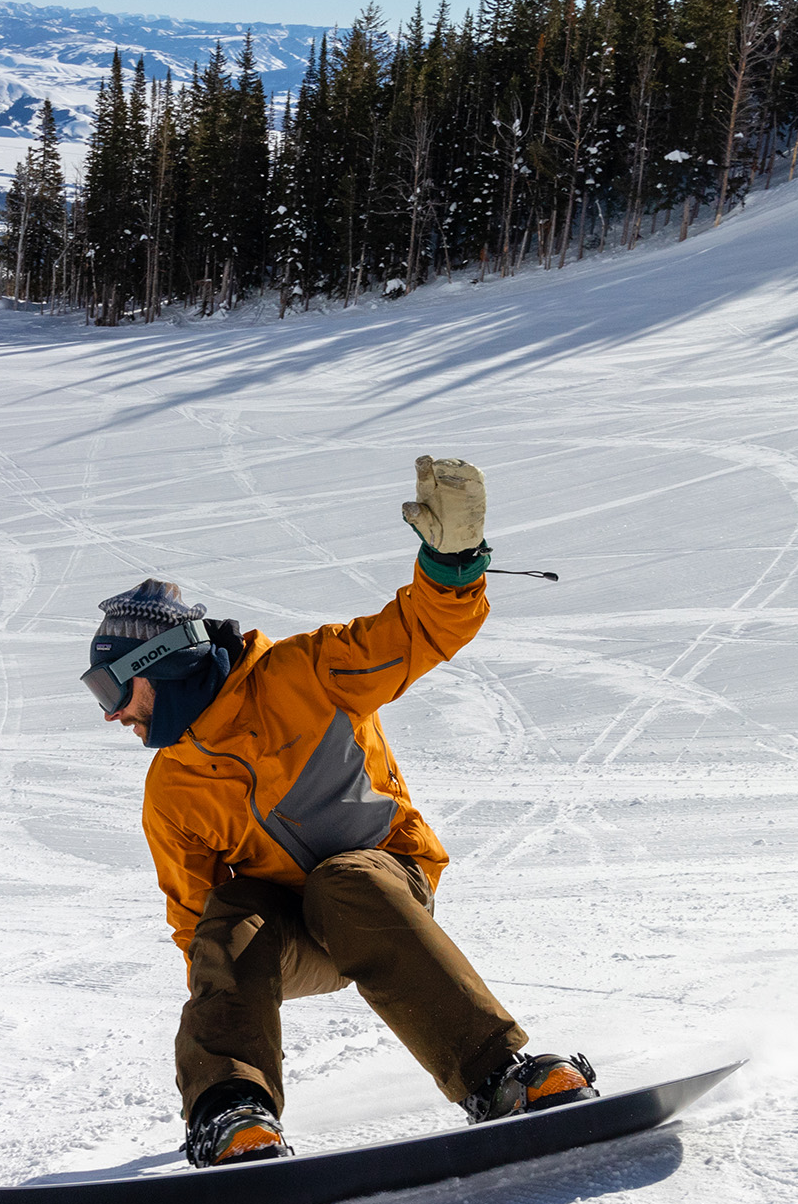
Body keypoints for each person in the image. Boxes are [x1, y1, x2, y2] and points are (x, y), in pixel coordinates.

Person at [82, 456, 597, 1168]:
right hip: (299, 937)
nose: (111, 716)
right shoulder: (173, 787)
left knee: (345, 881)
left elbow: (414, 633)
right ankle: (233, 1116)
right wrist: (233, 1001)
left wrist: (451, 566)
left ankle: (497, 1077)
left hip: (384, 891)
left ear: (164, 665)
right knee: (226, 915)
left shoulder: (304, 675)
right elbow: (196, 929)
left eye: (112, 690)